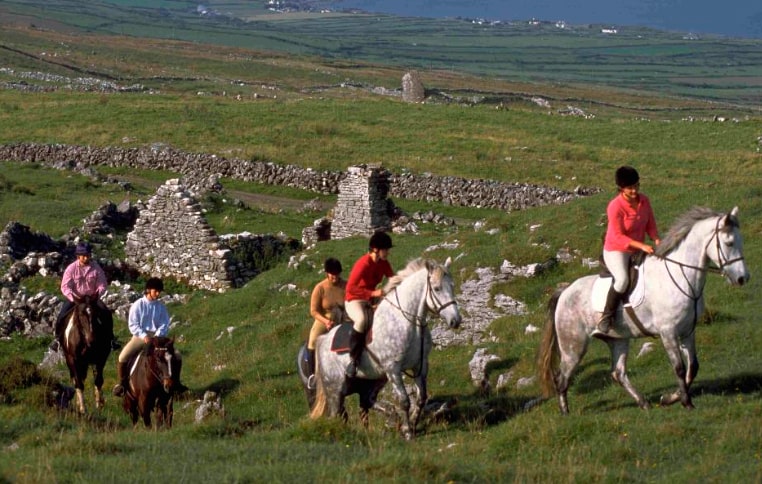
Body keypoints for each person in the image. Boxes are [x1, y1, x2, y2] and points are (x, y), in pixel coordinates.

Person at [599, 165, 661, 333]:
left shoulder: (644, 201)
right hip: (616, 250)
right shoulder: (615, 206)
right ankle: (606, 316)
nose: (635, 191)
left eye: (636, 186)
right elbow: (618, 236)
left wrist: (656, 239)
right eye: (630, 188)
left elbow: (651, 224)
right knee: (622, 280)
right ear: (621, 188)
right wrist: (642, 245)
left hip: (637, 248)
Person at [113, 277, 186, 396]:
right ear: (148, 290)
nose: (157, 294)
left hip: (158, 337)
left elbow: (164, 323)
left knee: (177, 355)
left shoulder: (161, 307)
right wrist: (143, 335)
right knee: (122, 357)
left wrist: (157, 336)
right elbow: (133, 324)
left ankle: (176, 383)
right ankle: (122, 384)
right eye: (155, 291)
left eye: (159, 291)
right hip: (140, 336)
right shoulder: (138, 305)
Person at [49, 242, 120, 352]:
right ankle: (58, 339)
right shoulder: (71, 269)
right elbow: (65, 287)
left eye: (88, 255)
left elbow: (102, 284)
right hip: (76, 298)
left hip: (92, 299)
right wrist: (74, 298)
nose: (86, 258)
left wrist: (97, 295)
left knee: (106, 313)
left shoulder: (96, 268)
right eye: (84, 256)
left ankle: (111, 339)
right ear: (78, 256)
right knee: (62, 315)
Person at [344, 231, 394, 378]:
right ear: (376, 250)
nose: (388, 252)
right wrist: (372, 294)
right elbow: (350, 288)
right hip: (354, 299)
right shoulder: (363, 264)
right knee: (362, 320)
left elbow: (392, 278)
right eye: (386, 249)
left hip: (371, 299)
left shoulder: (383, 263)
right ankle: (353, 360)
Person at [306, 258, 346, 389]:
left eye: (337, 274)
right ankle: (312, 375)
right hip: (325, 317)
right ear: (327, 274)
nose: (335, 277)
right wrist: (326, 321)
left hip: (344, 316)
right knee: (312, 340)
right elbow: (313, 311)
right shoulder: (320, 288)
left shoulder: (345, 285)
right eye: (332, 274)